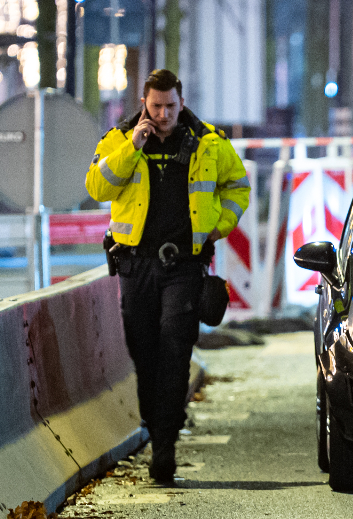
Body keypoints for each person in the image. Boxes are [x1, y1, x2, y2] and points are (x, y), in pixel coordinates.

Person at [85, 69, 251, 485]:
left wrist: (218, 227)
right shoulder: (118, 140)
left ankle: (165, 446)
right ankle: (155, 424)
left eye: (170, 106)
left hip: (185, 265)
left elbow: (238, 186)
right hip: (135, 264)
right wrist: (132, 147)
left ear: (181, 102)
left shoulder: (208, 142)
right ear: (144, 103)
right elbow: (97, 188)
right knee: (144, 352)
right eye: (156, 106)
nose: (163, 114)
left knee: (176, 348)